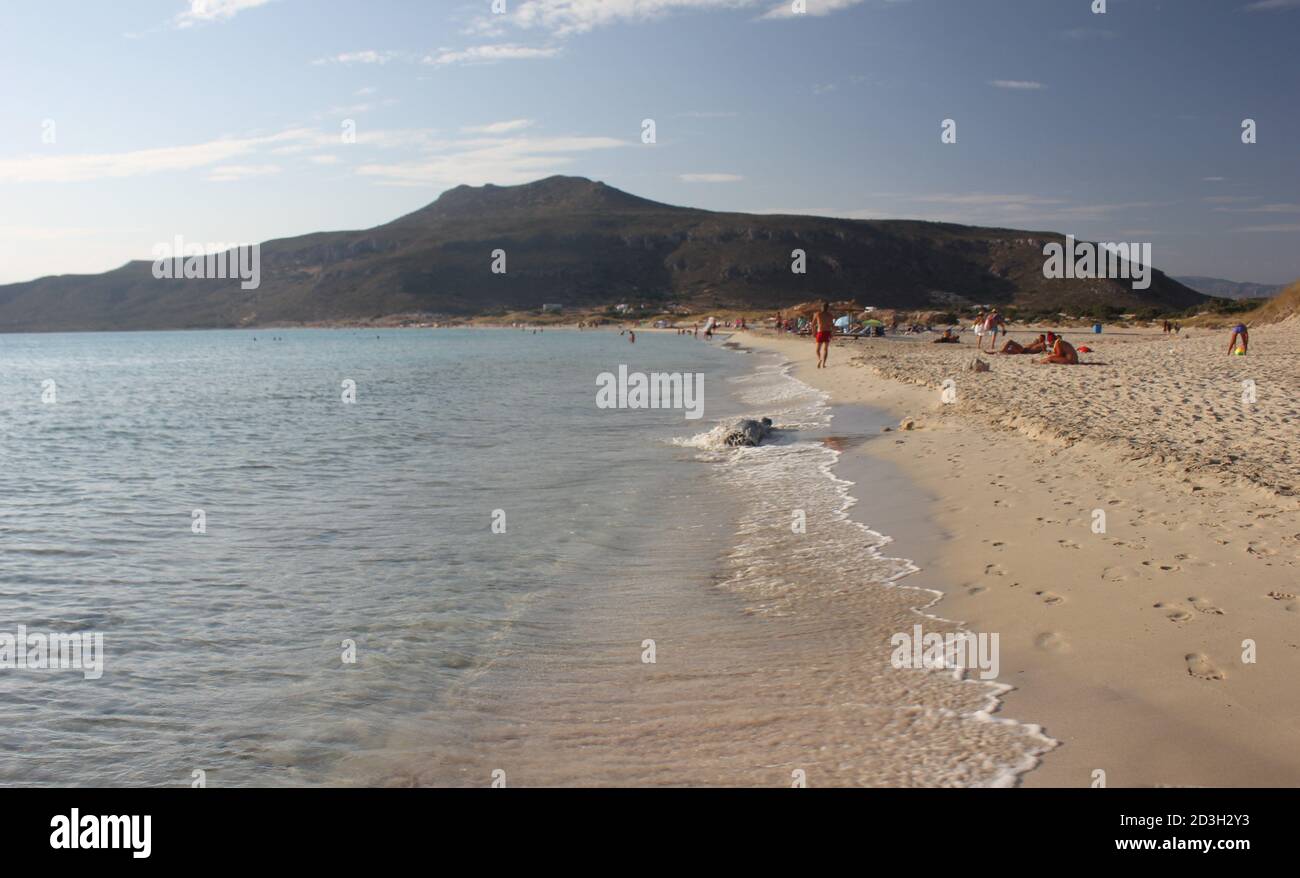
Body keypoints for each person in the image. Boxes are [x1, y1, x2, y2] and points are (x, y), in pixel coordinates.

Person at [811, 302, 834, 368]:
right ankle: (824, 364)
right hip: (827, 332)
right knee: (825, 349)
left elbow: (812, 324)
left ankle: (820, 359)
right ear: (828, 308)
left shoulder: (817, 314)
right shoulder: (830, 315)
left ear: (821, 307)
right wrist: (832, 334)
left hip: (820, 332)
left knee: (817, 350)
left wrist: (813, 332)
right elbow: (832, 325)